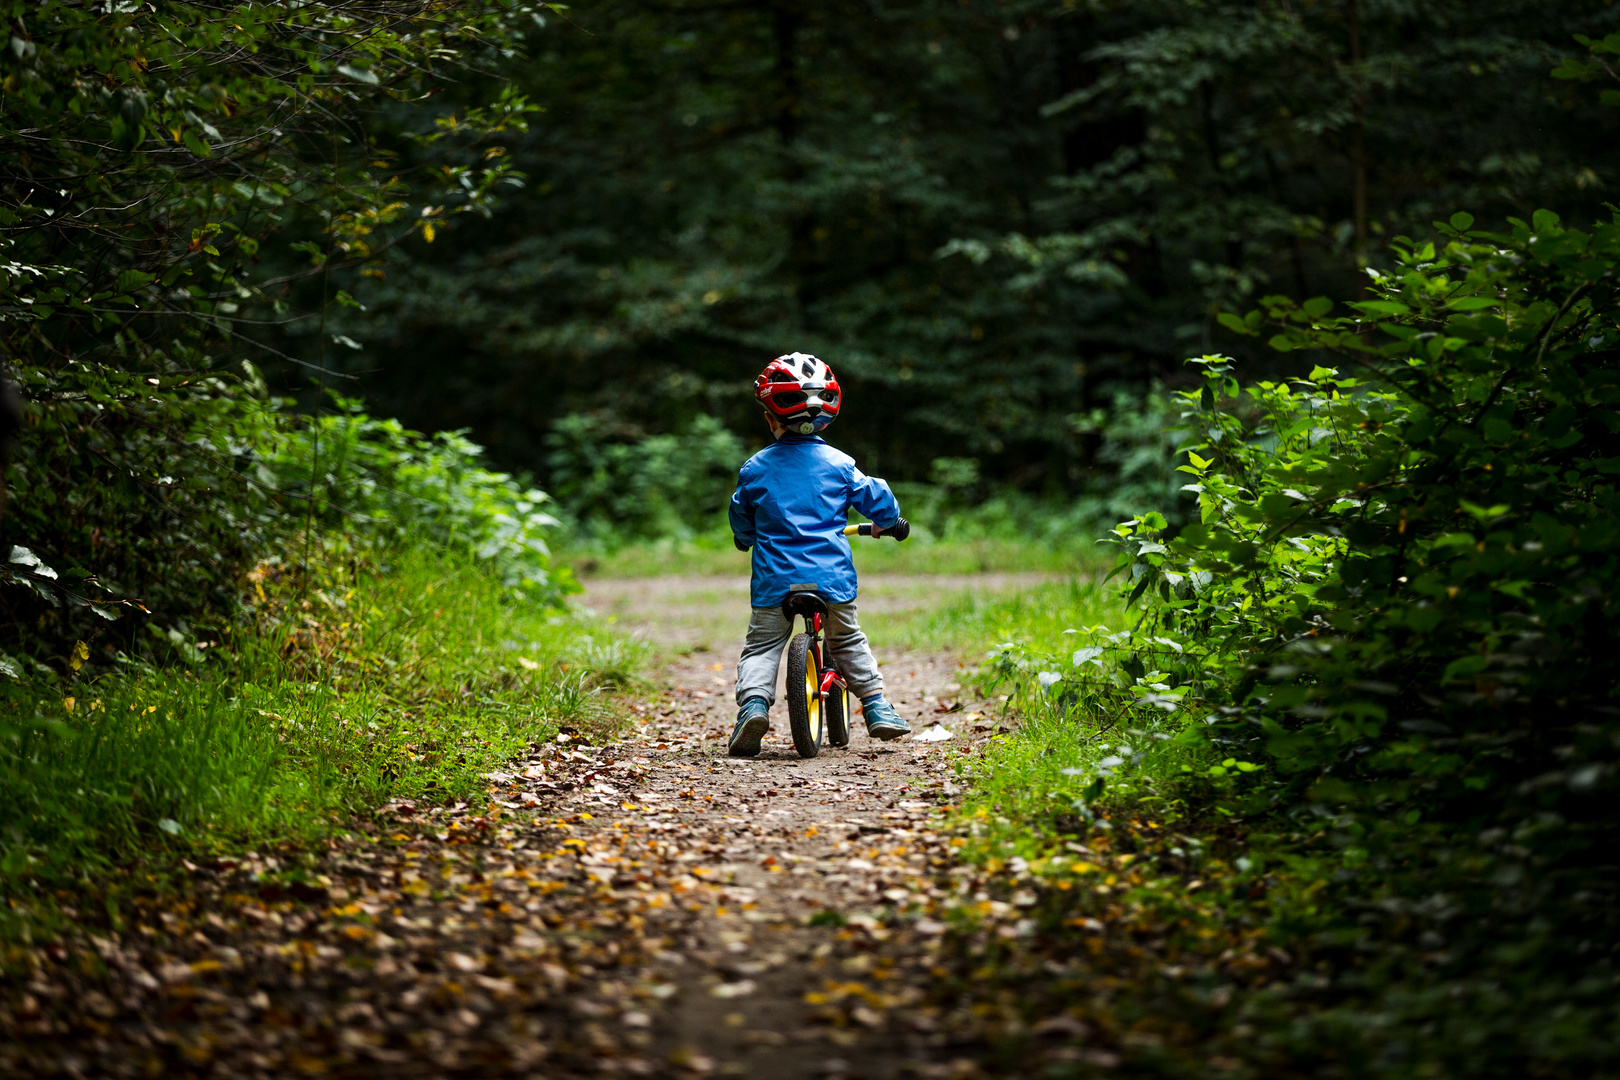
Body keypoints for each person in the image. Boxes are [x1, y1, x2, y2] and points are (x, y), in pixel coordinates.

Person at [727, 352, 911, 757]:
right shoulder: (840, 465)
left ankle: (753, 707)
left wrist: (745, 538)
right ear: (828, 417)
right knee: (846, 640)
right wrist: (890, 521)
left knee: (762, 647)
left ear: (770, 418)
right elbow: (878, 499)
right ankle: (877, 707)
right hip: (832, 581)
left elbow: (741, 516)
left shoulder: (755, 469)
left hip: (774, 581)